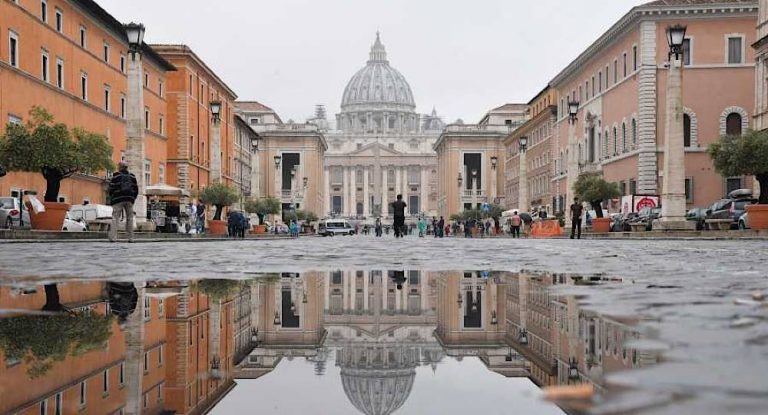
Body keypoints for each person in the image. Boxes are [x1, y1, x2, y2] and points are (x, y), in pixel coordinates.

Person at [108, 161, 138, 243]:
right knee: (130, 218)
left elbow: (111, 188)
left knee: (115, 218)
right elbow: (136, 189)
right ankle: (131, 238)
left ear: (120, 167)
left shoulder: (116, 176)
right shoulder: (132, 176)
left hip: (118, 199)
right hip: (129, 199)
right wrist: (132, 199)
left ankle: (113, 237)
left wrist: (112, 197)